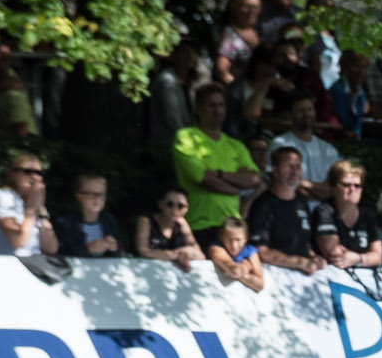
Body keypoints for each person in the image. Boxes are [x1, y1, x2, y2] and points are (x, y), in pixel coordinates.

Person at [173, 82, 257, 244]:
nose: (217, 110)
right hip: (199, 225)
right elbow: (203, 178)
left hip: (233, 228)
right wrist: (236, 187)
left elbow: (253, 179)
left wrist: (218, 174)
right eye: (211, 105)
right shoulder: (185, 137)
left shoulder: (236, 146)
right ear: (197, 108)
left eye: (221, 105)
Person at [245, 147, 318, 275]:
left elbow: (306, 243)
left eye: (298, 166)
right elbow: (261, 251)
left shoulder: (302, 201)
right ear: (275, 170)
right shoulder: (262, 204)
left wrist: (314, 257)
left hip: (303, 280)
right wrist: (300, 262)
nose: (295, 171)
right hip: (275, 278)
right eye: (289, 166)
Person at [0, 154, 56, 258]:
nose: (34, 177)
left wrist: (42, 211)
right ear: (12, 174)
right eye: (27, 172)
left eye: (39, 173)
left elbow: (51, 248)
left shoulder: (31, 202)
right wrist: (31, 210)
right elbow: (19, 241)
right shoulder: (2, 196)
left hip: (34, 266)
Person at [310, 159, 381, 269]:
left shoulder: (368, 213)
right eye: (346, 185)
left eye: (357, 185)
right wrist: (367, 257)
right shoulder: (324, 211)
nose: (352, 189)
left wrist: (358, 258)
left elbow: (378, 257)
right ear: (333, 187)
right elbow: (334, 254)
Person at [55, 172, 122, 259]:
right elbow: (59, 254)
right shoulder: (65, 223)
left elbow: (118, 254)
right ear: (78, 196)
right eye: (92, 194)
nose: (97, 198)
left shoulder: (109, 220)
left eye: (101, 194)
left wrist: (114, 248)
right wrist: (86, 249)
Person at [135, 188, 200, 269]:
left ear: (187, 208)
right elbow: (142, 251)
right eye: (170, 204)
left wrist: (189, 251)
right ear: (160, 204)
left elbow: (200, 255)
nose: (175, 210)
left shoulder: (182, 222)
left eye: (181, 206)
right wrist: (177, 255)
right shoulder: (145, 220)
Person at [204, 214, 266, 292]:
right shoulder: (216, 248)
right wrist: (246, 266)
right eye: (229, 240)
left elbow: (260, 285)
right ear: (221, 238)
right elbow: (235, 271)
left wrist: (240, 273)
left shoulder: (250, 250)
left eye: (238, 240)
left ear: (246, 238)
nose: (234, 245)